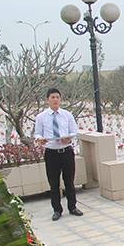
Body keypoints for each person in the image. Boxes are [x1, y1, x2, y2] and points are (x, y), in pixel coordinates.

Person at [34, 88, 83, 221]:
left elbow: (73, 131)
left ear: (60, 99)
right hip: (51, 153)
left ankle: (72, 207)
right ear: (47, 100)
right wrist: (40, 139)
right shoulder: (41, 117)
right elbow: (37, 133)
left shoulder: (67, 115)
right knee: (54, 183)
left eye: (57, 97)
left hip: (66, 152)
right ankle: (57, 210)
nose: (55, 100)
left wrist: (68, 139)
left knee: (69, 181)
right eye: (52, 97)